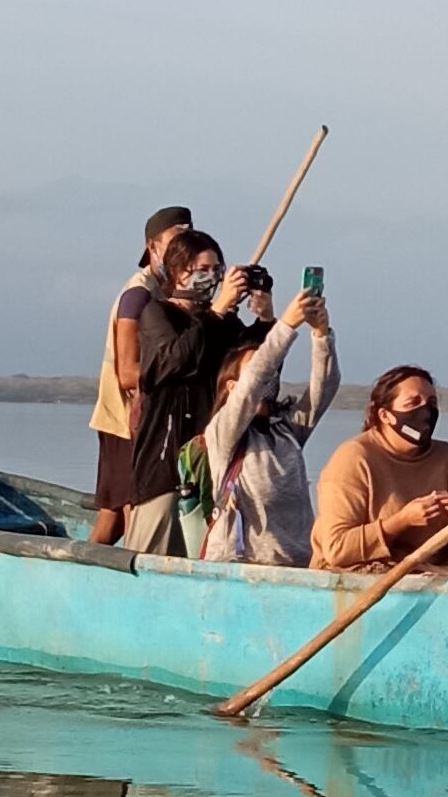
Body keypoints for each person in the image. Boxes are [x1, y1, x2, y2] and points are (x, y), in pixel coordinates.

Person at [101, 229, 256, 555]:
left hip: (206, 469)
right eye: (201, 270)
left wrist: (266, 319)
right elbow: (172, 361)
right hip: (163, 467)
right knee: (150, 555)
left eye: (216, 270)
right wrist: (215, 313)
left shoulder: (222, 324)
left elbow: (256, 365)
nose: (211, 278)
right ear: (177, 271)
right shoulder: (157, 313)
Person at [199, 277, 340, 566]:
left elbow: (323, 389)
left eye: (273, 371)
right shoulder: (224, 432)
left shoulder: (285, 430)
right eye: (262, 369)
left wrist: (321, 334)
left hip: (296, 564)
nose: (269, 375)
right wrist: (285, 326)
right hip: (240, 565)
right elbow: (253, 381)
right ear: (231, 387)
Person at [88, 205, 196, 546]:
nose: (184, 250)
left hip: (148, 422)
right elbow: (127, 372)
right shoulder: (139, 295)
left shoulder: (169, 294)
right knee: (129, 510)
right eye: (176, 241)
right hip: (125, 422)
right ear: (154, 247)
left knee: (117, 515)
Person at [310, 365, 448, 574]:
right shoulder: (355, 458)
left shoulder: (447, 458)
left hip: (424, 575)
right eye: (413, 403)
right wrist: (402, 521)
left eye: (431, 403)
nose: (425, 412)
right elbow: (337, 549)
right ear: (385, 415)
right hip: (354, 578)